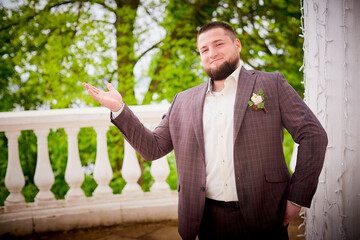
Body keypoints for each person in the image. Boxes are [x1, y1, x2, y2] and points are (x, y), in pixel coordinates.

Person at [83, 21, 327, 240]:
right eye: (204, 50)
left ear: (237, 44)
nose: (211, 53)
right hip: (206, 220)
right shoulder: (183, 100)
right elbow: (152, 148)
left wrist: (297, 197)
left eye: (218, 44)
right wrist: (119, 108)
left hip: (265, 214)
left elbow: (313, 135)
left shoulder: (271, 84)